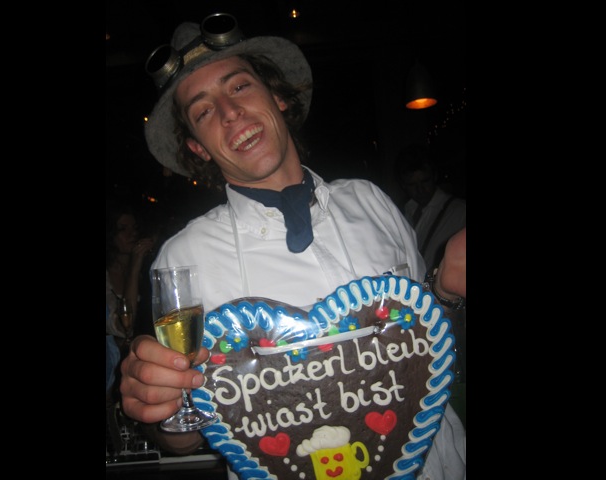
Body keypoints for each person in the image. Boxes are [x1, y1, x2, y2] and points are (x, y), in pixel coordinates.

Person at [119, 12, 466, 479]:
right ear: (198, 147)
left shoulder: (370, 200)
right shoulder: (186, 257)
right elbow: (183, 434)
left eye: (240, 86)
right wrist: (159, 406)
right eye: (203, 112)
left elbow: (425, 342)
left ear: (278, 97)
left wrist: (445, 293)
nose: (229, 112)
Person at [396, 143, 466, 272]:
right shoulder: (402, 211)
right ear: (403, 185)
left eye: (425, 181)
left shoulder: (460, 211)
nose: (420, 190)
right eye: (412, 184)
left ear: (435, 176)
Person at [105, 199, 155, 349]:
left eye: (134, 228)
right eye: (123, 229)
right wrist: (134, 267)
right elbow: (122, 328)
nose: (132, 234)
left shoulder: (148, 271)